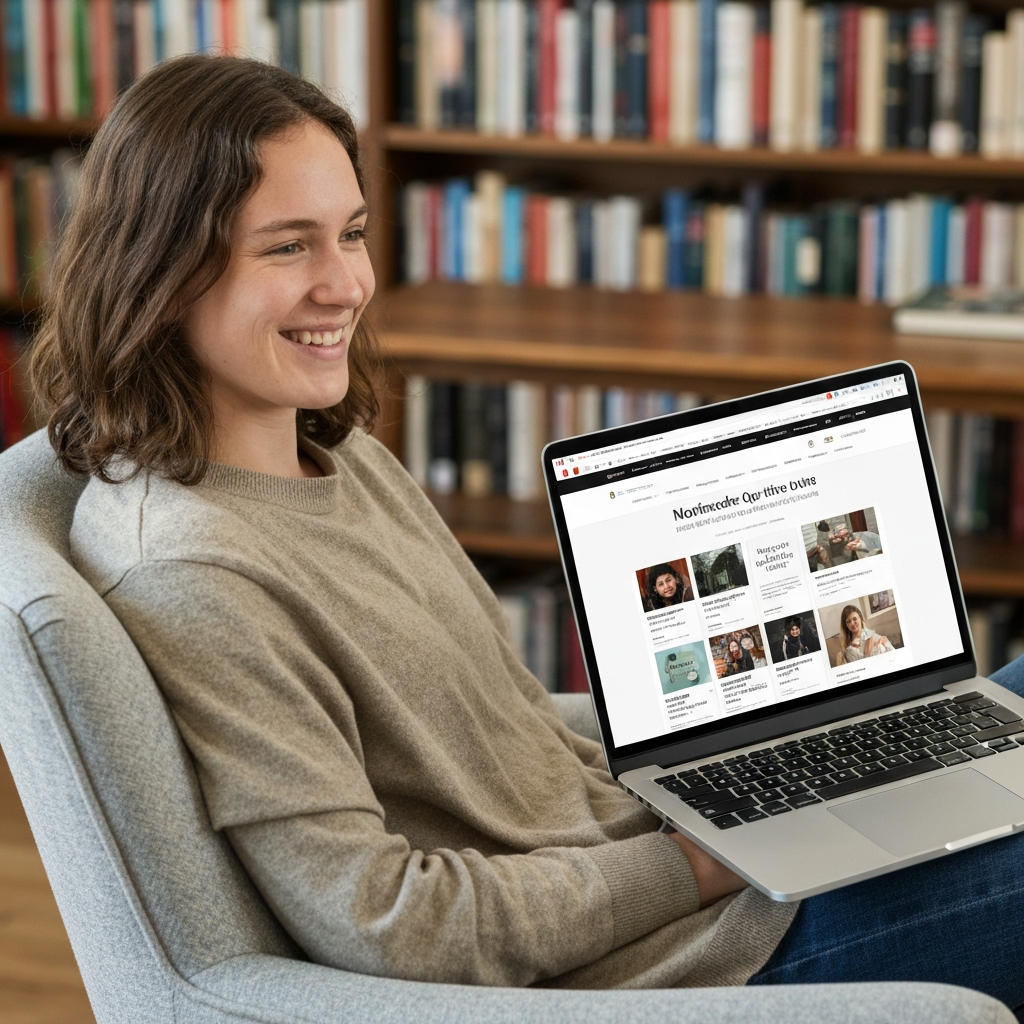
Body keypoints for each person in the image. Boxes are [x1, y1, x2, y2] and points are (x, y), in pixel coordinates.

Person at [32, 53, 1024, 1015]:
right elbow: (384, 922)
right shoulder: (191, 573)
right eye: (288, 245)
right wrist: (701, 858)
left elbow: (508, 729)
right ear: (162, 270)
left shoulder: (337, 456)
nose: (345, 284)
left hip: (700, 856)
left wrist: (775, 753)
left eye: (352, 233)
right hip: (689, 958)